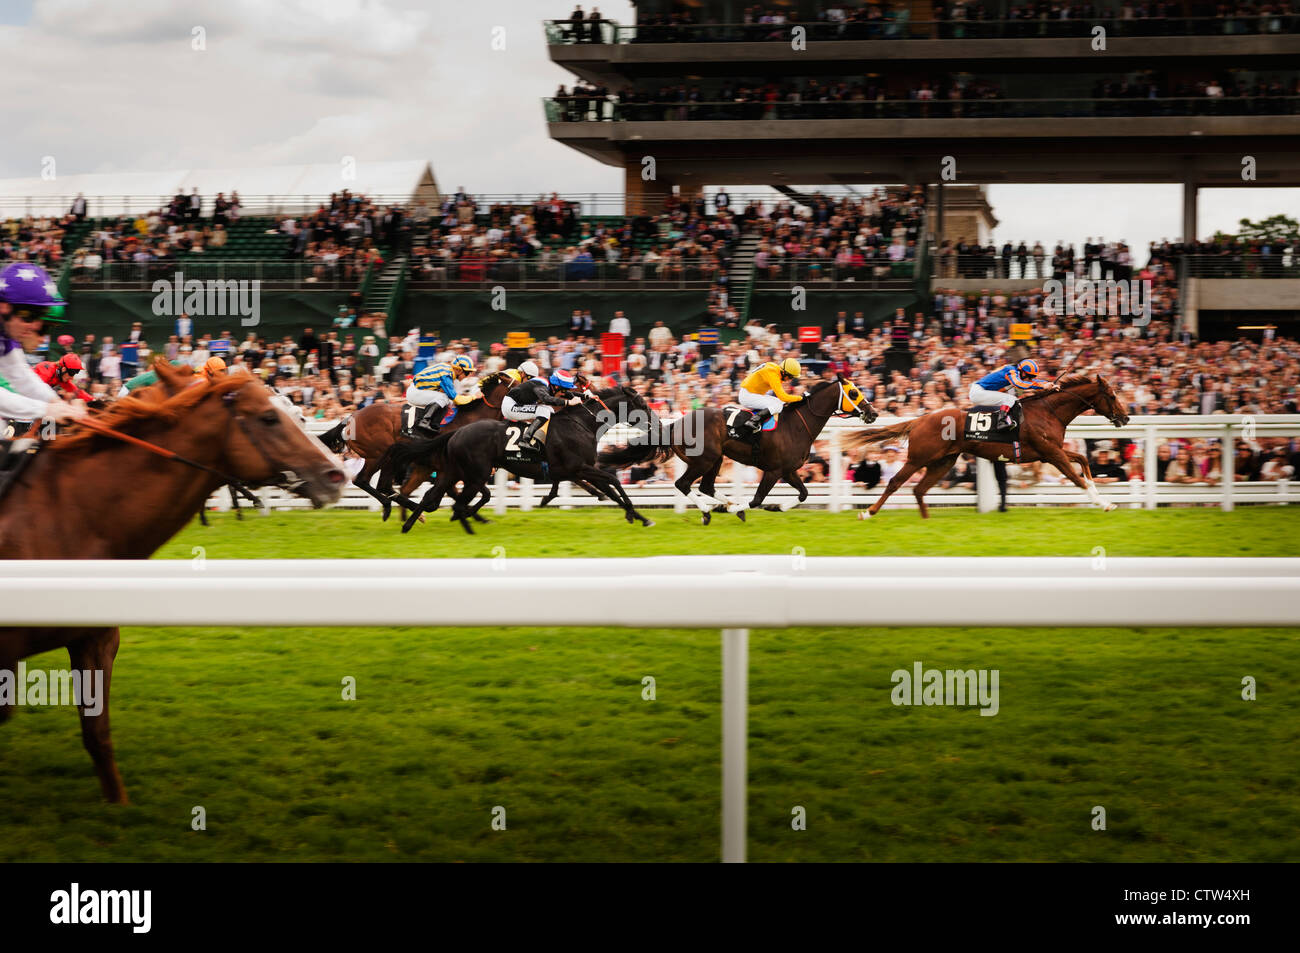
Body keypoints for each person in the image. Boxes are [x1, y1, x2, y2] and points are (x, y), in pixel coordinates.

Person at [0, 262, 88, 434]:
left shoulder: (6, 328)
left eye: (38, 317)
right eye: (29, 316)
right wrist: (45, 410)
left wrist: (58, 404)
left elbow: (21, 376)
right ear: (4, 307)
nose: (34, 326)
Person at [501, 360, 582, 451]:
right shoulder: (541, 385)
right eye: (563, 390)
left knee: (549, 409)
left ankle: (539, 436)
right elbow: (545, 399)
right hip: (510, 406)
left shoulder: (549, 384)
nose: (563, 393)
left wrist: (586, 396)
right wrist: (567, 403)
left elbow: (567, 393)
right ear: (556, 387)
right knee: (544, 411)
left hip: (517, 404)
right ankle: (525, 440)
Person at [968, 358, 1055, 430]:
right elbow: (1019, 384)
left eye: (1032, 377)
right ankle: (1001, 422)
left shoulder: (1017, 372)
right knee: (1010, 399)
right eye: (1030, 376)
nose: (1030, 379)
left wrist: (1047, 384)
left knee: (1012, 400)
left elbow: (1033, 382)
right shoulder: (1011, 371)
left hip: (982, 392)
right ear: (1023, 372)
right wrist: (1043, 386)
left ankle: (1005, 421)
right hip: (978, 391)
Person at [405, 353, 474, 438]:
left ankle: (434, 424)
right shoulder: (447, 375)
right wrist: (473, 397)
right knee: (444, 397)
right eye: (467, 373)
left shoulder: (447, 370)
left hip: (417, 390)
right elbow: (457, 399)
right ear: (459, 370)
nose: (468, 376)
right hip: (415, 393)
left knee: (446, 399)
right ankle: (425, 421)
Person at [737, 357, 802, 434]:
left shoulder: (775, 368)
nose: (790, 380)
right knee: (778, 406)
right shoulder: (773, 374)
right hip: (747, 396)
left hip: (752, 393)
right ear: (784, 372)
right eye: (790, 377)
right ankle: (753, 421)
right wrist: (800, 398)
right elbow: (783, 397)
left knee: (780, 402)